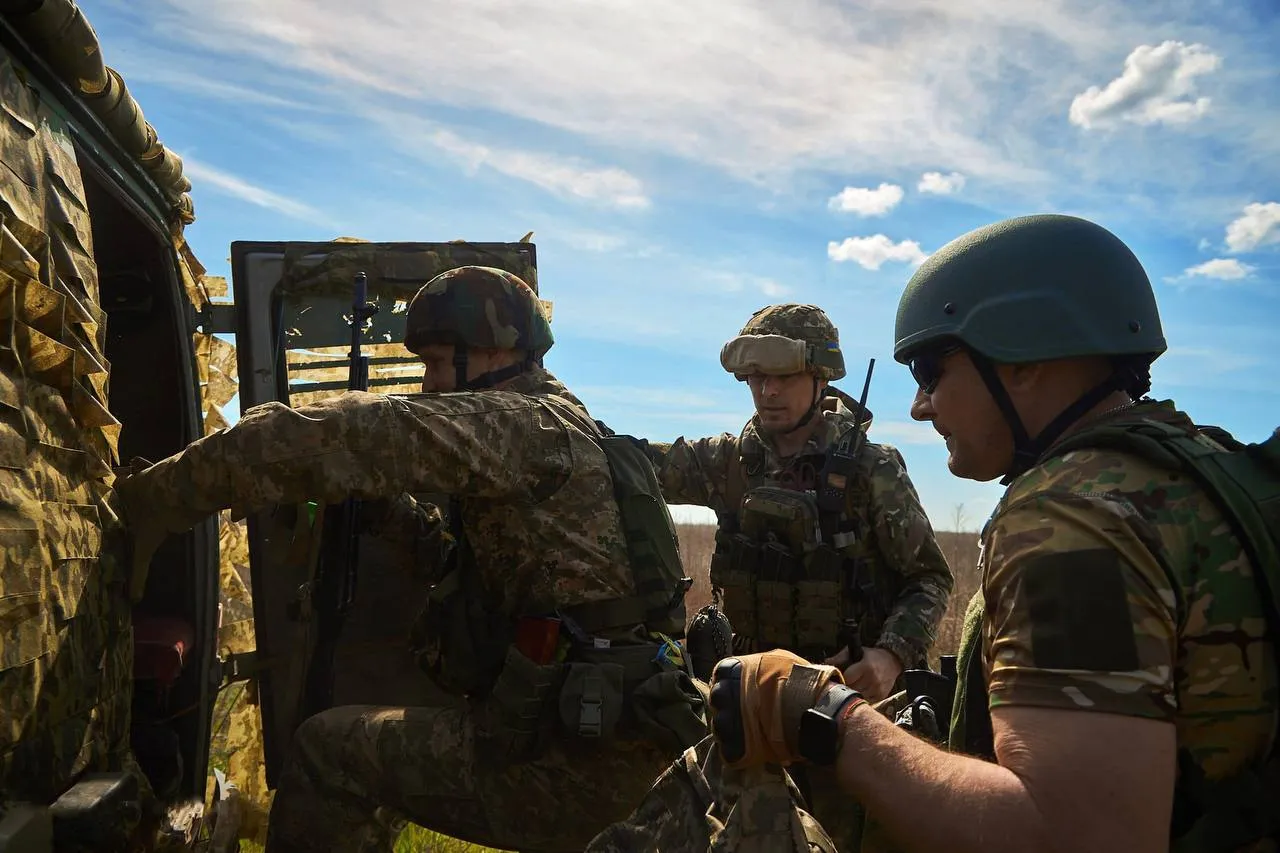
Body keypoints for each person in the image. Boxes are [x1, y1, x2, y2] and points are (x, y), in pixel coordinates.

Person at [702, 213, 1280, 853]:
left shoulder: (1070, 516)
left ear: (1022, 356)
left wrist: (823, 715)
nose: (921, 406)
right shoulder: (1201, 471)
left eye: (930, 371)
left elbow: (1073, 836)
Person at [114, 266, 708, 853]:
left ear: (486, 352)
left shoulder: (521, 425)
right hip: (607, 741)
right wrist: (384, 511)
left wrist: (159, 499)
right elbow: (469, 570)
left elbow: (345, 432)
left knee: (328, 749)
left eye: (432, 363)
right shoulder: (563, 425)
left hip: (576, 768)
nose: (426, 383)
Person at [640, 303, 953, 851]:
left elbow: (928, 578)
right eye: (756, 378)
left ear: (819, 376)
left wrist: (890, 656)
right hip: (748, 705)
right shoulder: (728, 462)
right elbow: (631, 465)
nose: (767, 393)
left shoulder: (871, 469)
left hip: (846, 706)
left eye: (782, 377)